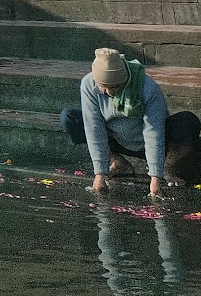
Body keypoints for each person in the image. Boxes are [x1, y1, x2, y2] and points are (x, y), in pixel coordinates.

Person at [61, 47, 200, 200]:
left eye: (114, 87)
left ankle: (168, 167)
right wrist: (100, 173)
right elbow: (94, 128)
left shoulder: (147, 87)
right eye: (103, 87)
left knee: (188, 121)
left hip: (148, 141)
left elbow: (154, 131)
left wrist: (156, 177)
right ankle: (118, 162)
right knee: (69, 117)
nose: (109, 92)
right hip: (115, 139)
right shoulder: (88, 84)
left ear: (124, 80)